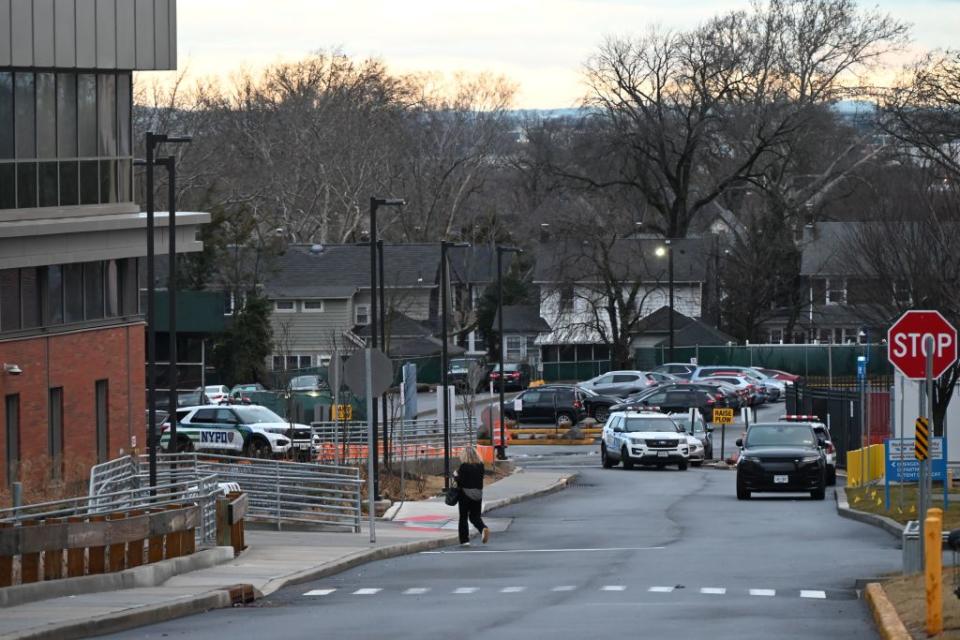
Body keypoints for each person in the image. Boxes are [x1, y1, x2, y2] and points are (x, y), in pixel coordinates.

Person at [453, 446, 490, 546]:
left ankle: (464, 540)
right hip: (478, 494)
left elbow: (461, 482)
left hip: (465, 494)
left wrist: (456, 476)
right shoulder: (480, 465)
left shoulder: (464, 467)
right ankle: (483, 528)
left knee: (463, 517)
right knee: (475, 516)